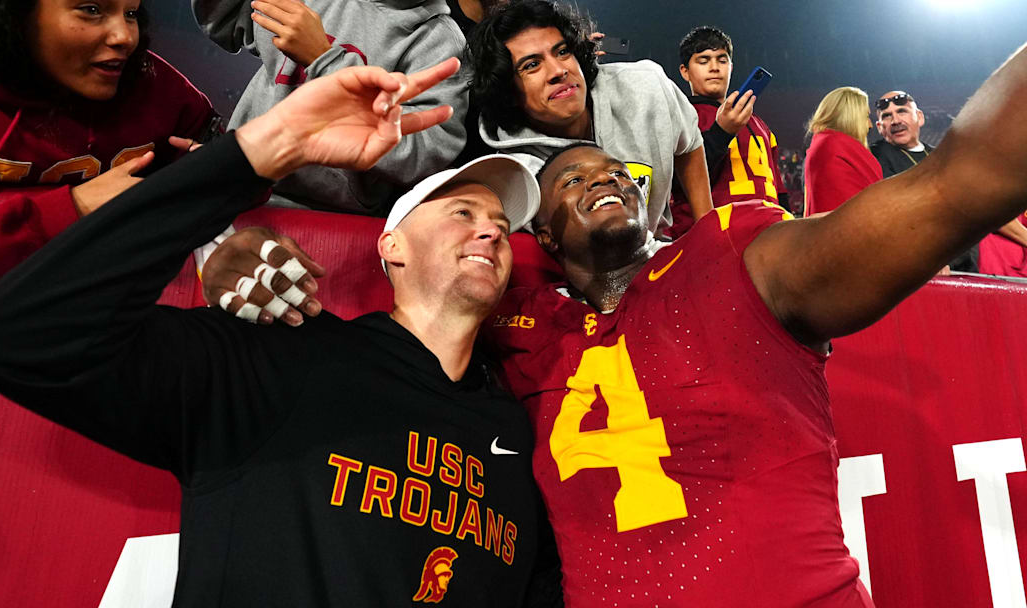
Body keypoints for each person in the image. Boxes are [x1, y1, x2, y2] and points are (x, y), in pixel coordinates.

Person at [190, 43, 1027, 606]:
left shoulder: (736, 256)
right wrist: (231, 250)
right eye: (568, 179)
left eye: (617, 168)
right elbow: (370, 274)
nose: (603, 177)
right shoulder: (518, 319)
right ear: (541, 238)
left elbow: (953, 187)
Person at [0, 59, 563, 605]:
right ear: (392, 246)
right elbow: (18, 333)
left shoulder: (516, 429)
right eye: (462, 212)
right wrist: (256, 154)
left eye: (502, 225)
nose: (490, 232)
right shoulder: (284, 351)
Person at [0, 0, 219, 328]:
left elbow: (224, 192)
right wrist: (73, 208)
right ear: (11, 12)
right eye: (91, 9)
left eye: (131, 14)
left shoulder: (160, 91)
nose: (125, 37)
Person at [193, 0, 467, 215]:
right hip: (239, 185)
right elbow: (225, 19)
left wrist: (323, 59)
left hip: (328, 215)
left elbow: (427, 152)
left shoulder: (439, 41)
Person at [466, 0, 712, 235]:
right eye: (532, 65)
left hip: (659, 251)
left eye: (562, 52)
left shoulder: (645, 86)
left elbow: (689, 143)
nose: (558, 71)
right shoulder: (516, 173)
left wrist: (708, 227)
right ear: (507, 91)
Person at [673, 26, 787, 237]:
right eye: (703, 60)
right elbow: (675, 182)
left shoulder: (759, 123)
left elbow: (778, 189)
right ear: (685, 71)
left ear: (731, 67)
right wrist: (721, 132)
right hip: (710, 240)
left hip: (767, 236)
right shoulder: (678, 116)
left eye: (722, 60)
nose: (714, 67)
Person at [870, 91, 980, 271]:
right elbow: (893, 216)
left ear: (919, 117)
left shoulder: (944, 156)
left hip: (963, 261)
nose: (896, 121)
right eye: (887, 116)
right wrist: (931, 259)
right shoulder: (876, 157)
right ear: (880, 127)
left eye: (902, 111)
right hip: (920, 266)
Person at [802, 87, 882, 216]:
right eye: (866, 116)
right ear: (851, 118)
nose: (870, 125)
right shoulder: (835, 147)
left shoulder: (824, 145)